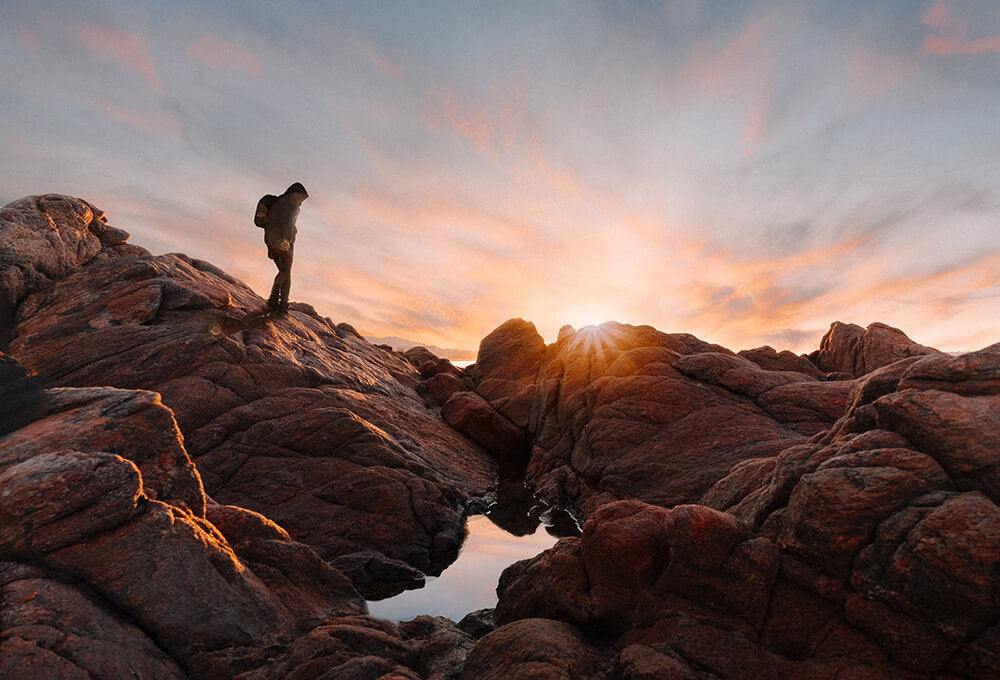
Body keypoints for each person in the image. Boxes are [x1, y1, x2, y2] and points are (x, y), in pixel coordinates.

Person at [254, 182, 308, 311]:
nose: (300, 202)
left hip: (271, 239)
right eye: (300, 198)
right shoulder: (291, 201)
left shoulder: (271, 201)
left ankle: (274, 299)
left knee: (283, 271)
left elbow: (259, 221)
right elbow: (289, 221)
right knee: (286, 272)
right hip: (283, 240)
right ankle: (281, 303)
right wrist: (287, 239)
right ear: (295, 194)